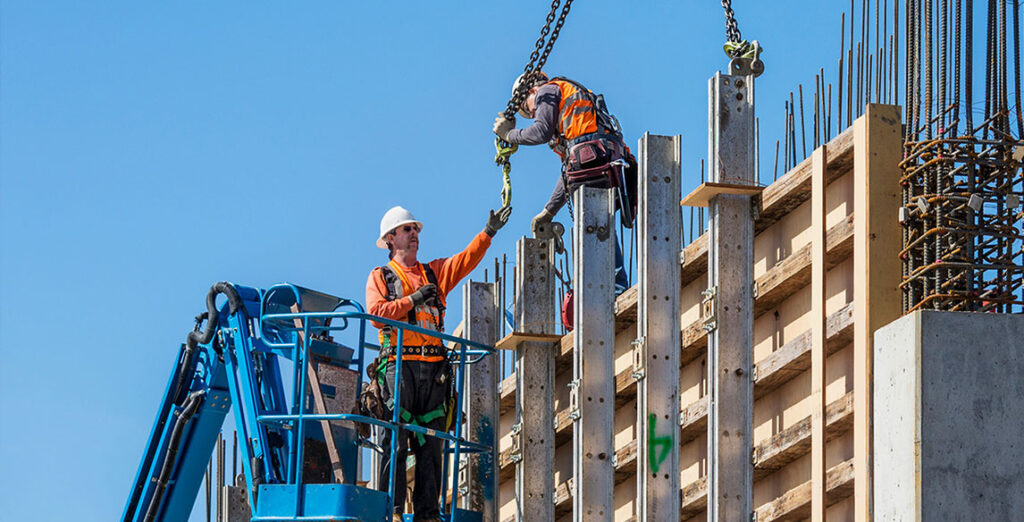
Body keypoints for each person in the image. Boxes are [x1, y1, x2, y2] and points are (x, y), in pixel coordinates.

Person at [365, 204, 510, 522]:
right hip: (398, 368)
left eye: (415, 229)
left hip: (433, 371)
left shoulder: (433, 273)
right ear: (390, 238)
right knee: (396, 441)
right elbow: (376, 315)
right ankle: (393, 510)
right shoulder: (382, 277)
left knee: (431, 444)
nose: (414, 233)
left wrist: (488, 233)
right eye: (407, 229)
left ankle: (428, 514)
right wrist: (413, 300)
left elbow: (465, 260)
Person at [492, 71, 634, 294]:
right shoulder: (570, 122)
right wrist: (549, 211)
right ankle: (613, 287)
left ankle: (612, 290)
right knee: (599, 226)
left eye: (528, 109)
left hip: (592, 161)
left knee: (593, 227)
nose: (533, 114)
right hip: (599, 160)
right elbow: (569, 170)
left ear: (531, 91)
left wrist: (510, 134)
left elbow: (540, 131)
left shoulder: (547, 91)